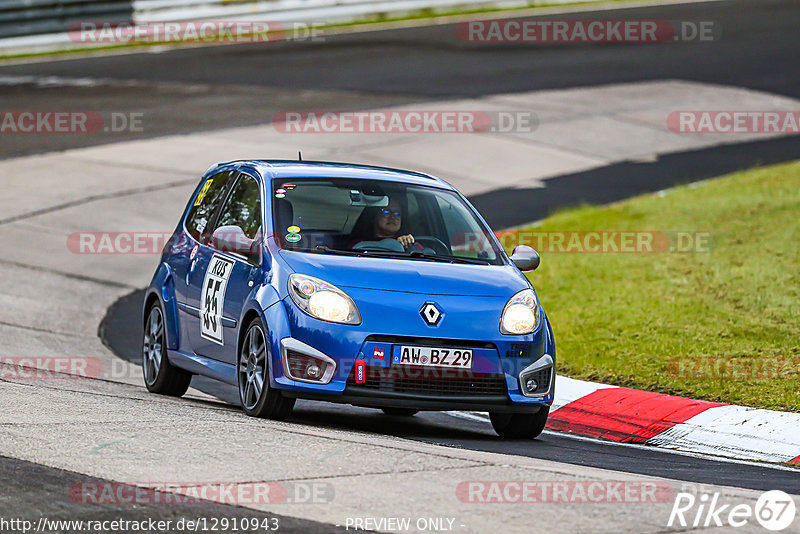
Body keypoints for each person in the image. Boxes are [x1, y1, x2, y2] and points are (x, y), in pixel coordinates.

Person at [349, 201, 418, 249]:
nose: (393, 217)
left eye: (397, 214)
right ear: (374, 216)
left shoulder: (408, 243)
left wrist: (408, 243)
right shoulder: (359, 245)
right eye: (386, 212)